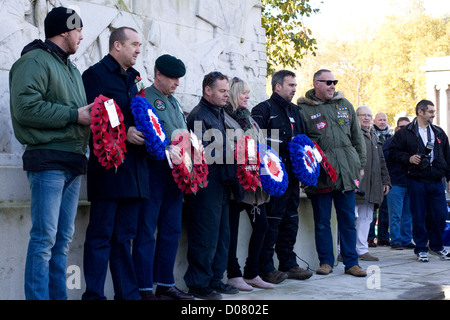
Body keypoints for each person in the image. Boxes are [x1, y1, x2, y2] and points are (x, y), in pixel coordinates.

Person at [9, 7, 90, 300]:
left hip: (73, 160)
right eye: (78, 30)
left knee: (61, 242)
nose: (82, 36)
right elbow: (25, 109)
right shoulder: (33, 61)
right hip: (48, 162)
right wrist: (74, 115)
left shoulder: (72, 69)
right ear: (64, 31)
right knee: (44, 240)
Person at [81, 27, 150, 300]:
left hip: (134, 172)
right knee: (100, 237)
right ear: (117, 45)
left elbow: (142, 115)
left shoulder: (136, 80)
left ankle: (128, 295)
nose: (138, 49)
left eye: (139, 45)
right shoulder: (94, 75)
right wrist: (124, 133)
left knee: (124, 238)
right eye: (134, 44)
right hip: (109, 172)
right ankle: (94, 296)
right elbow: (94, 120)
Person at [132, 54, 194, 300]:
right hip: (154, 171)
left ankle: (165, 284)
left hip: (176, 174)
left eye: (179, 78)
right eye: (172, 77)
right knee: (146, 230)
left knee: (171, 231)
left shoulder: (174, 102)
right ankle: (144, 287)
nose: (177, 82)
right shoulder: (144, 98)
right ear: (158, 74)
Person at [297, 69, 367, 277]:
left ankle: (351, 263)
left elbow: (357, 138)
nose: (332, 85)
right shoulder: (303, 109)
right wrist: (305, 172)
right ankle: (326, 261)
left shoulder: (345, 105)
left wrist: (360, 164)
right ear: (316, 83)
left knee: (347, 219)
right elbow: (300, 144)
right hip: (322, 174)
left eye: (334, 82)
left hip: (346, 172)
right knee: (322, 221)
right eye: (327, 82)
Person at [251, 70, 313, 284]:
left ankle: (288, 262)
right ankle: (266, 267)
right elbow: (257, 143)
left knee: (290, 219)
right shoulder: (262, 110)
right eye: (291, 85)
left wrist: (306, 170)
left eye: (295, 85)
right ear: (278, 86)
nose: (295, 89)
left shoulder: (296, 111)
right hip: (273, 177)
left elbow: (304, 143)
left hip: (293, 178)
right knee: (272, 221)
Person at [184, 71, 239, 300]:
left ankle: (215, 280)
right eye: (222, 91)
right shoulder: (199, 116)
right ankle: (199, 284)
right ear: (208, 90)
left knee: (222, 235)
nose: (227, 95)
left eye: (227, 91)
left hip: (222, 182)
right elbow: (202, 155)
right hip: (206, 184)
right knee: (205, 236)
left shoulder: (219, 113)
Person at [223, 77, 273, 291]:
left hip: (254, 185)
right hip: (235, 182)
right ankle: (233, 275)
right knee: (231, 231)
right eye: (243, 92)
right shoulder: (223, 116)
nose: (247, 96)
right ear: (234, 93)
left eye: (248, 92)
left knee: (262, 226)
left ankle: (252, 272)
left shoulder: (250, 118)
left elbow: (260, 142)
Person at [390, 100, 450, 262]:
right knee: (419, 215)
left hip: (436, 179)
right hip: (415, 179)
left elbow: (447, 155)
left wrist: (448, 177)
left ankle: (436, 246)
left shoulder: (438, 132)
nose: (433, 114)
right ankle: (421, 248)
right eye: (430, 111)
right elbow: (393, 152)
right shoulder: (405, 132)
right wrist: (408, 158)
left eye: (434, 111)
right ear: (420, 112)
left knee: (440, 214)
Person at [355, 106, 391, 261]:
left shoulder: (374, 135)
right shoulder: (351, 134)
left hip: (373, 186)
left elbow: (381, 161)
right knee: (350, 218)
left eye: (369, 115)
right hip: (357, 185)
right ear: (356, 117)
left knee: (367, 218)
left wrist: (386, 181)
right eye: (363, 115)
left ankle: (362, 250)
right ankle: (344, 250)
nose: (366, 118)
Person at [383, 117, 414, 250]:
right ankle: (395, 240)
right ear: (396, 128)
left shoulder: (412, 143)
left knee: (408, 214)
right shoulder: (389, 143)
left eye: (407, 127)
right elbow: (384, 160)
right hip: (395, 183)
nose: (404, 130)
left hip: (410, 182)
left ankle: (406, 239)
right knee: (395, 214)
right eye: (401, 127)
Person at [368, 112, 393, 247]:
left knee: (385, 210)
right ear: (374, 121)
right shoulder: (369, 134)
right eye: (380, 120)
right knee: (371, 210)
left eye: (384, 120)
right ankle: (370, 237)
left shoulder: (392, 137)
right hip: (371, 176)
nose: (382, 122)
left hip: (385, 176)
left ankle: (384, 237)